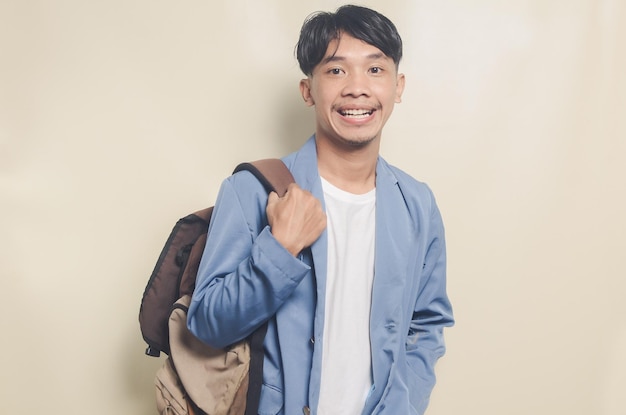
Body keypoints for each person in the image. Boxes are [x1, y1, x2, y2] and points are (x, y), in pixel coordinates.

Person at [187, 5, 454, 415]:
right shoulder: (252, 191)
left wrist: (403, 405)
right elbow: (206, 325)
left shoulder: (416, 203)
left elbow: (426, 325)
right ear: (308, 90)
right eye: (336, 70)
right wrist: (279, 248)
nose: (357, 88)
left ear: (398, 86)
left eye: (375, 70)